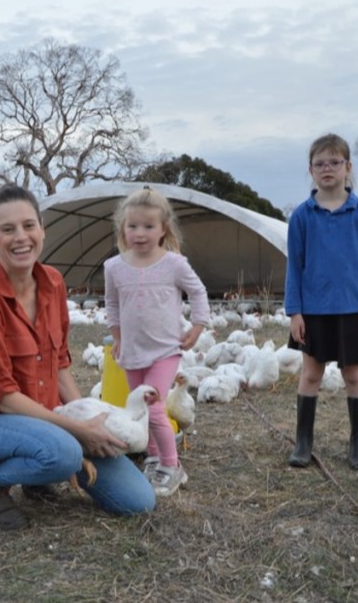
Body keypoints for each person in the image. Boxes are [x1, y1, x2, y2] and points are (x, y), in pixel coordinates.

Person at [0, 184, 155, 530]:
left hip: (47, 418)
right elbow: (2, 398)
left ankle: (40, 470)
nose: (21, 237)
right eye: (7, 229)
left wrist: (90, 420)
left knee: (138, 502)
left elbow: (58, 364)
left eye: (29, 225)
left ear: (42, 229)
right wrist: (77, 432)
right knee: (65, 454)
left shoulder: (53, 283)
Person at [284, 133, 358, 471]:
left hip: (355, 310)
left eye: (334, 162)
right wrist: (294, 312)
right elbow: (294, 267)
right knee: (311, 374)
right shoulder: (302, 216)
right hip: (313, 311)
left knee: (354, 375)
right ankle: (303, 443)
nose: (327, 169)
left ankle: (357, 446)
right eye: (319, 163)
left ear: (348, 167)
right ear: (311, 170)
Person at [104, 186, 210, 496]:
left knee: (153, 408)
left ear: (163, 229)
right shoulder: (114, 267)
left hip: (164, 351)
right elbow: (112, 305)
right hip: (132, 351)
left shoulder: (174, 264)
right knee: (138, 409)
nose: (140, 233)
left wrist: (198, 325)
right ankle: (153, 456)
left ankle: (172, 465)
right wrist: (117, 337)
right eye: (133, 226)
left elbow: (199, 291)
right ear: (123, 228)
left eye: (148, 226)